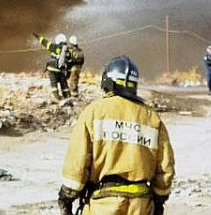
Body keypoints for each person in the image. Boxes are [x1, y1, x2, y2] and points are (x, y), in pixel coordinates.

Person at [58, 56, 175, 215]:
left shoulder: (94, 112)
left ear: (107, 81)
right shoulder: (151, 117)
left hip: (102, 204)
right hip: (141, 205)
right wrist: (159, 200)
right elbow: (165, 166)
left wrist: (67, 196)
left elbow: (77, 160)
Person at [36, 33, 71, 99]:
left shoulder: (55, 47)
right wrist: (68, 73)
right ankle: (67, 95)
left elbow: (46, 43)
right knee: (64, 83)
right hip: (61, 70)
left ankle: (56, 96)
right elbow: (69, 63)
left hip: (52, 69)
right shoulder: (68, 51)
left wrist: (38, 37)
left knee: (53, 83)